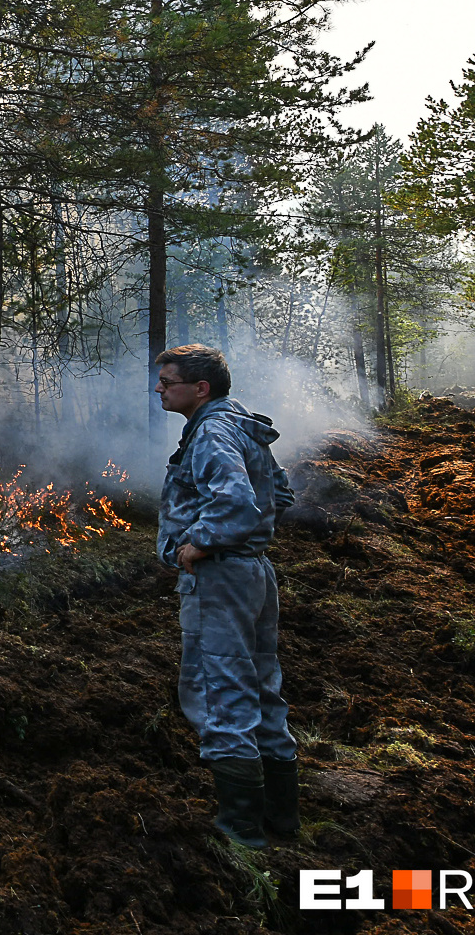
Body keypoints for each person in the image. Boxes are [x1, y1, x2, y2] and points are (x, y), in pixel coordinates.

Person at [154, 344, 298, 848]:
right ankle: (282, 817)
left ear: (201, 388)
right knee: (262, 688)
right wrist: (249, 537)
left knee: (221, 691)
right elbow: (279, 495)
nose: (159, 389)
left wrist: (197, 544)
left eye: (168, 382)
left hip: (220, 576)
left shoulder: (213, 430)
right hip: (254, 573)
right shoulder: (243, 427)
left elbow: (235, 500)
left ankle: (240, 830)